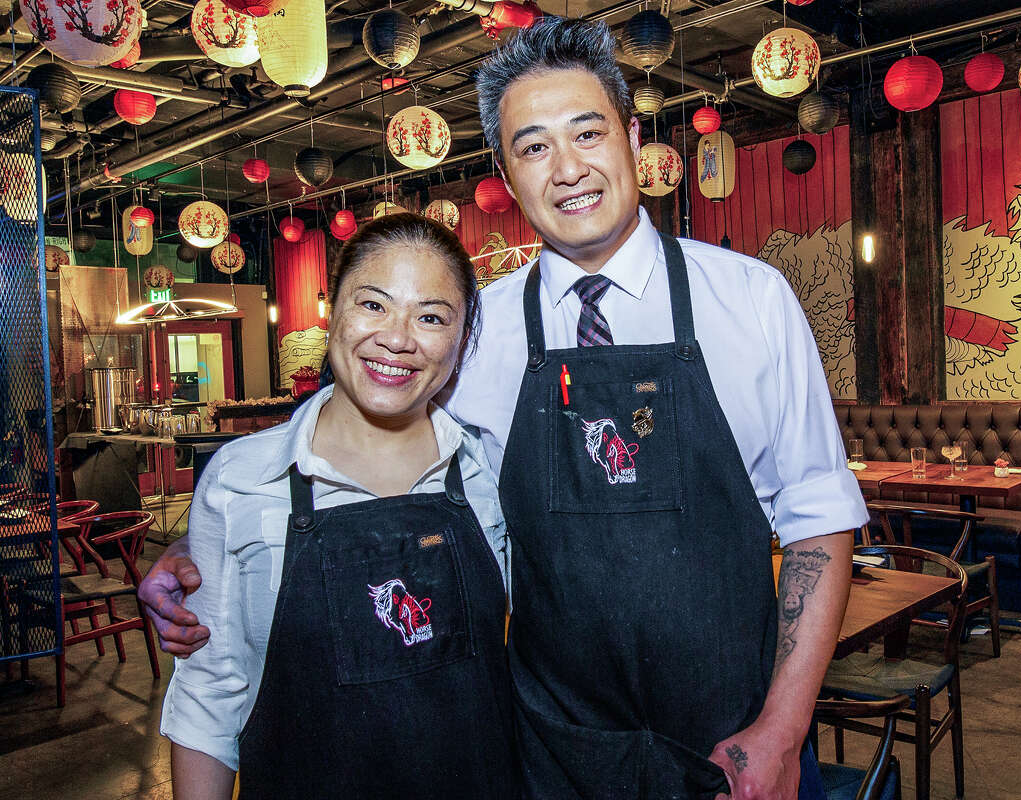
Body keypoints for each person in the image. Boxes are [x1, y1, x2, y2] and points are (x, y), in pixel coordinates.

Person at [144, 17, 868, 800]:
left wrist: (783, 731)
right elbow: (367, 429)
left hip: (737, 745)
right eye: (533, 146)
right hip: (550, 755)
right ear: (505, 169)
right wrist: (208, 549)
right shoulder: (474, 329)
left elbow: (816, 515)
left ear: (630, 136)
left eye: (587, 133)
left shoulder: (750, 299)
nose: (567, 169)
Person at [158, 213, 517, 800]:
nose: (397, 338)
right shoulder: (243, 479)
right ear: (334, 313)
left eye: (431, 317)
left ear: (461, 339)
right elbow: (210, 691)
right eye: (373, 305)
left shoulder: (490, 472)